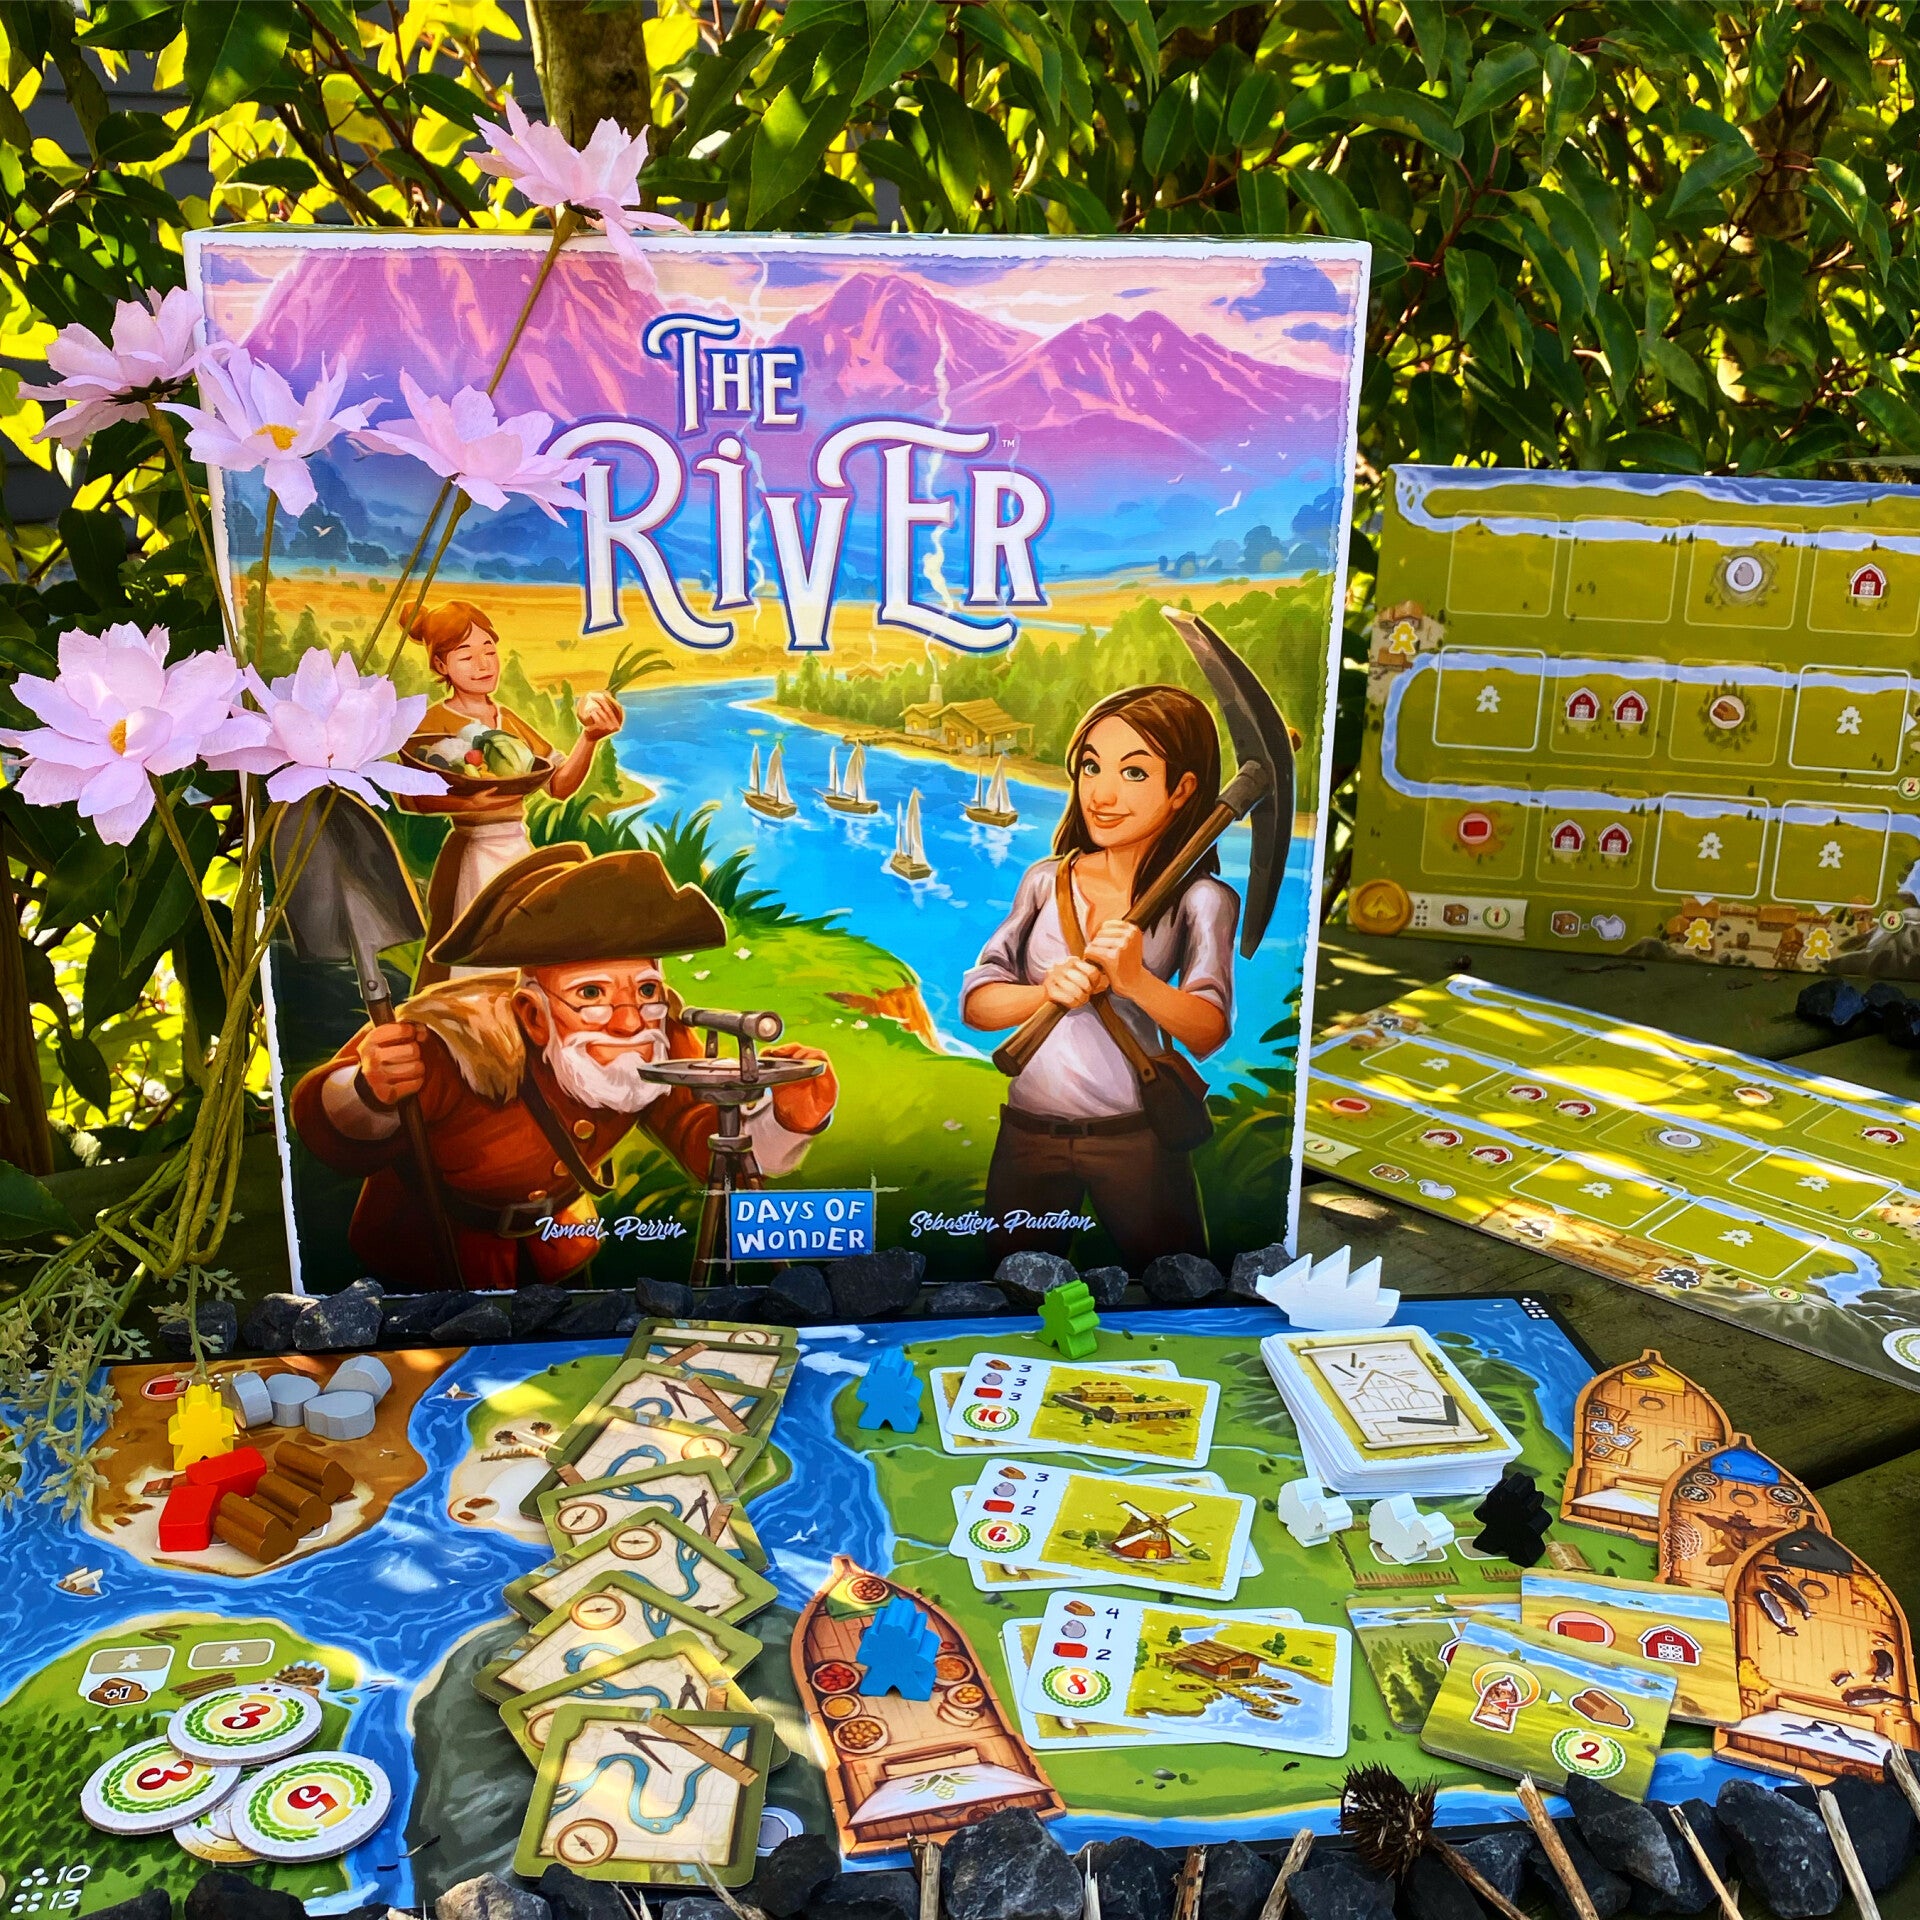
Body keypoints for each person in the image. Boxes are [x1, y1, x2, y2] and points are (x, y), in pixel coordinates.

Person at [290, 842, 838, 1290]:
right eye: (592, 993)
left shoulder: (659, 1032)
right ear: (533, 1013)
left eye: (646, 989)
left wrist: (788, 1118)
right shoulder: (450, 1041)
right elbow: (325, 1129)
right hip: (427, 1260)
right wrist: (369, 1089)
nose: (629, 1021)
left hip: (561, 1248)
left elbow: (702, 1135)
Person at [961, 684, 1238, 1269]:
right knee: (1008, 1288)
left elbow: (1209, 1030)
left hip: (1137, 1140)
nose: (1102, 794)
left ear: (1183, 789)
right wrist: (1044, 991)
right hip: (1028, 1135)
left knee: (1175, 1283)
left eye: (1134, 773)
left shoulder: (1202, 899)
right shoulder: (1046, 881)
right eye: (1091, 766)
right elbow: (978, 1002)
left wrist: (1136, 981)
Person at [398, 600, 625, 988]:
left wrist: (590, 738)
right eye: (466, 656)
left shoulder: (507, 719)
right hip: (472, 854)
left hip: (518, 851)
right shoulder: (434, 721)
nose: (483, 664)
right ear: (441, 665)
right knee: (476, 961)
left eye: (489, 651)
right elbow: (408, 796)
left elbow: (558, 785)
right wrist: (467, 802)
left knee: (528, 951)